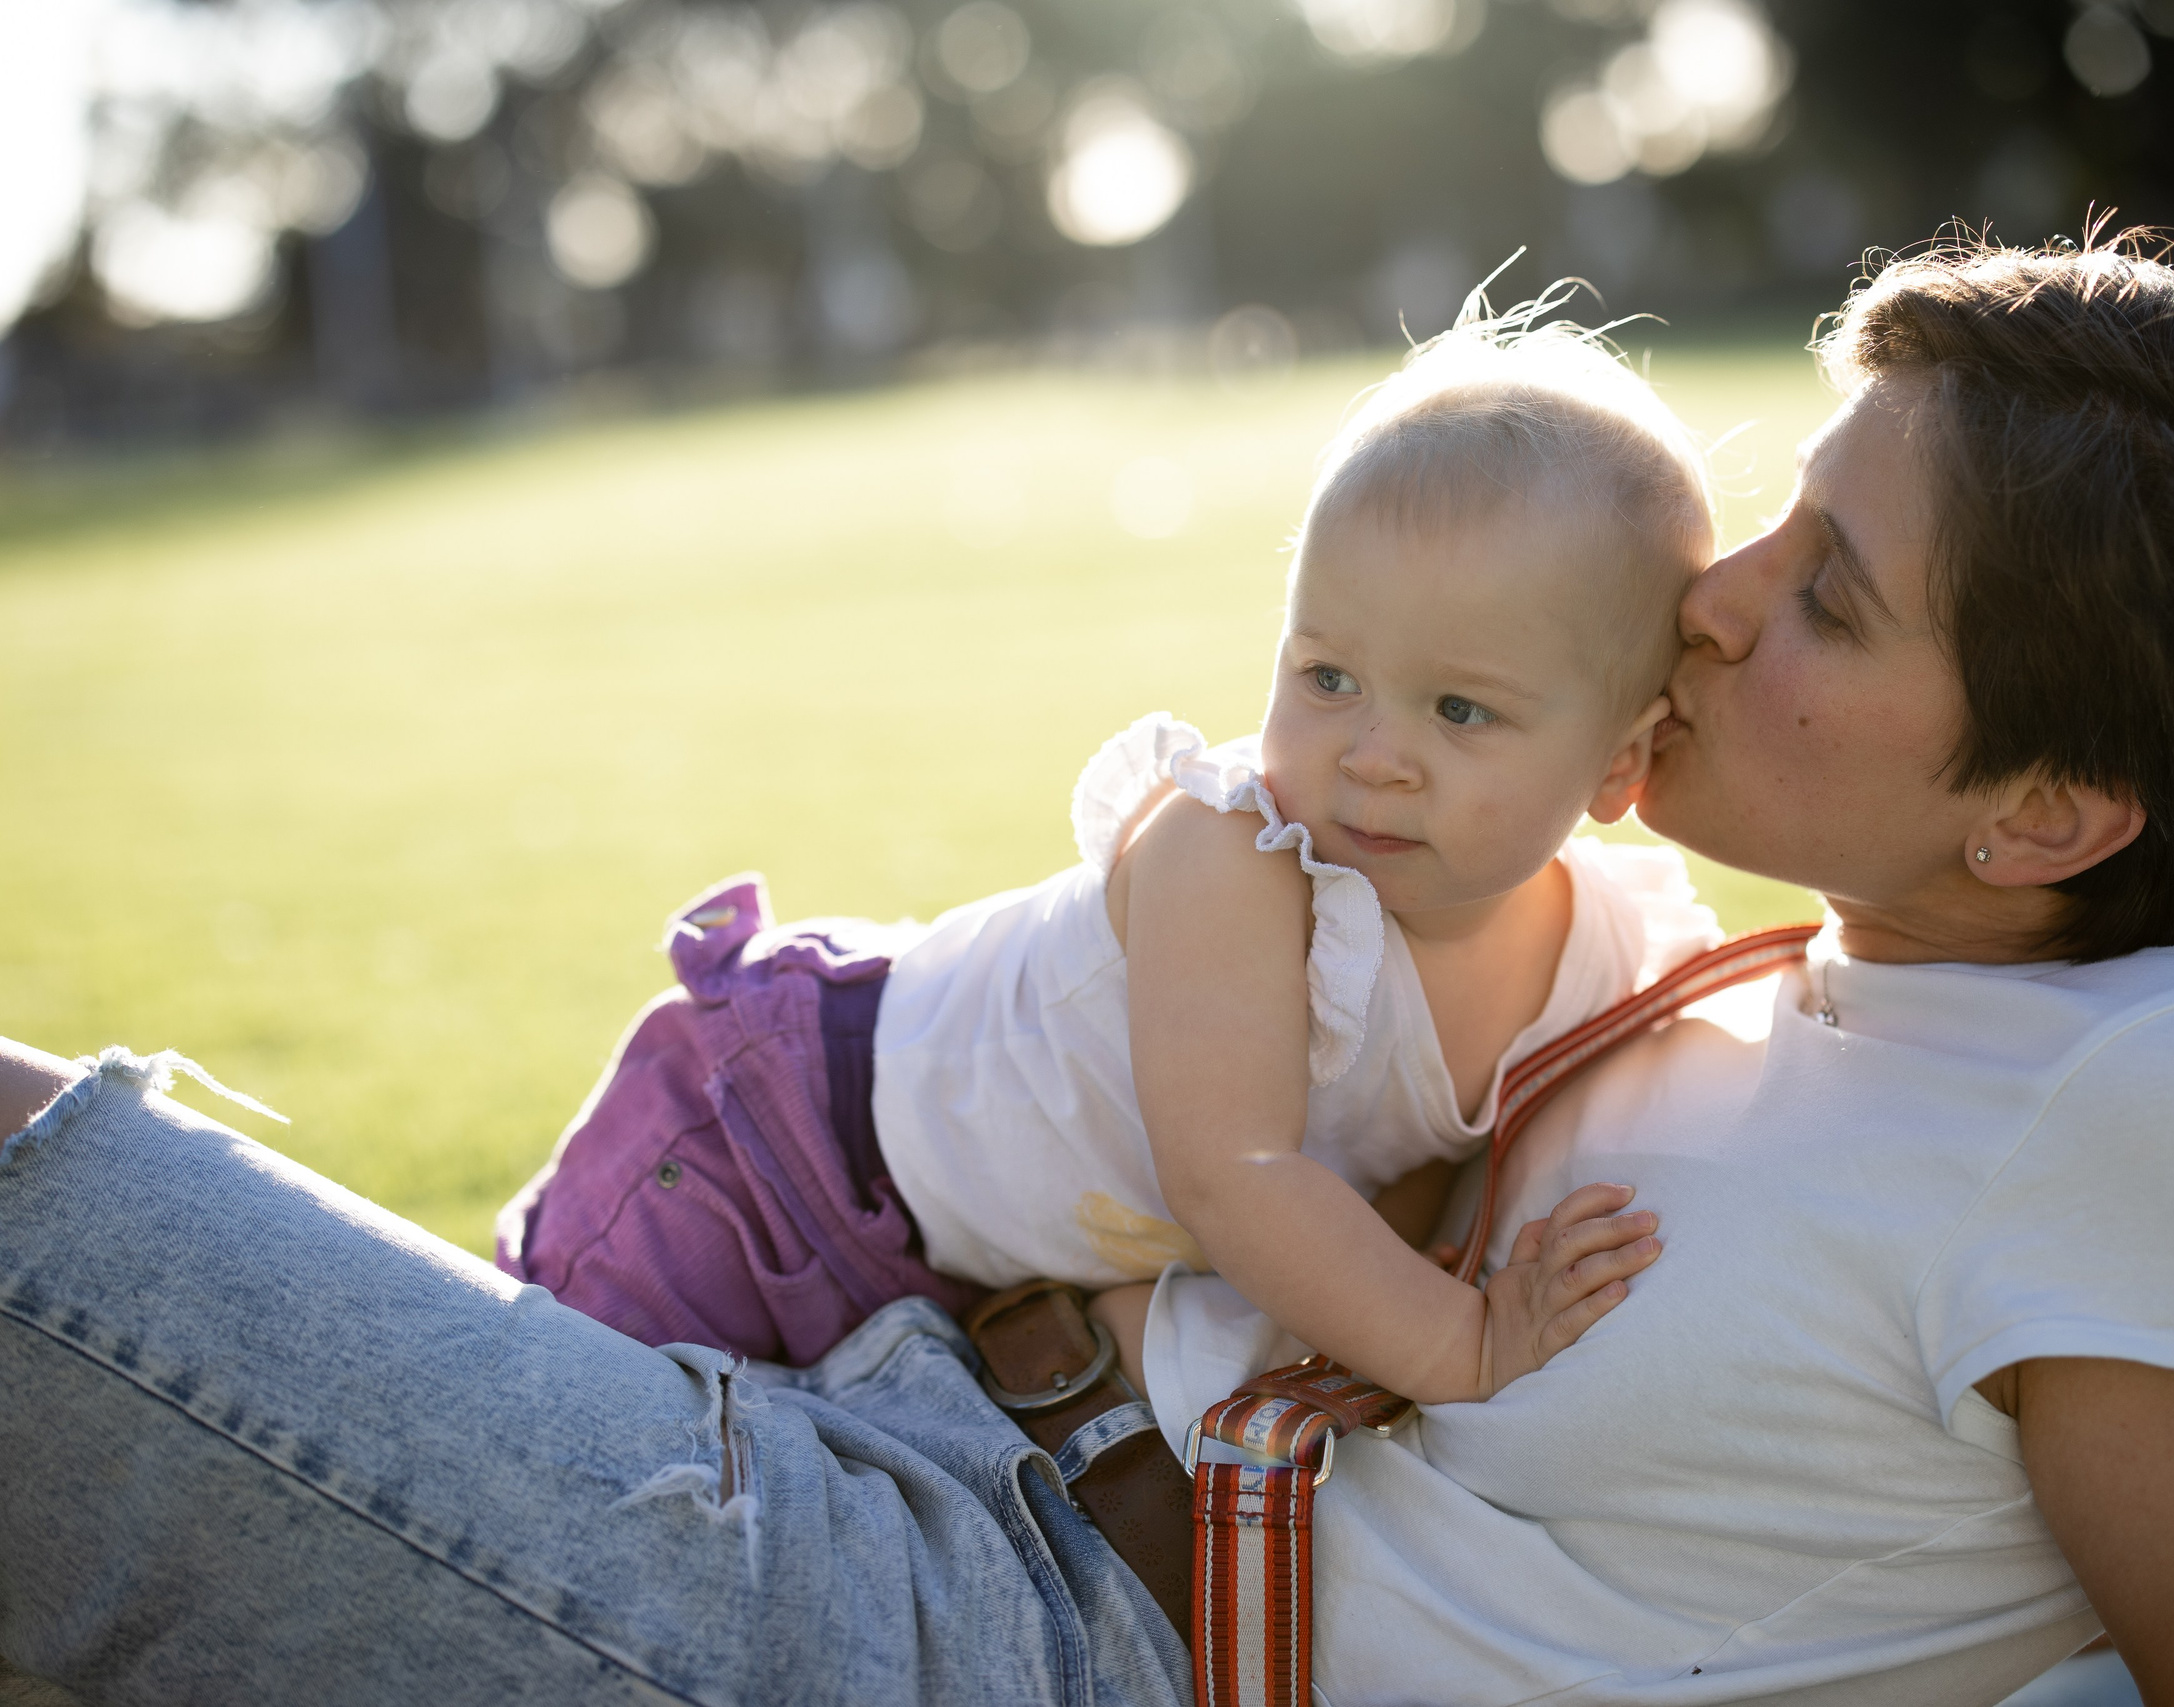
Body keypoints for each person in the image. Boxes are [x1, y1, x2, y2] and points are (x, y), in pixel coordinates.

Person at [0, 235, 2174, 1706]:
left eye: (1825, 594)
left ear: (2049, 810)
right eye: (1775, 515)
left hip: (1001, 1627)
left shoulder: (2167, 1099)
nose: (1710, 593)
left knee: (46, 1217)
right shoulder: (1832, 974)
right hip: (930, 1395)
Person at [498, 297, 1704, 1404]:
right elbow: (1235, 1176)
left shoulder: (1604, 949)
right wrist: (1464, 1341)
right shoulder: (1234, 858)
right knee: (543, 1427)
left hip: (967, 1263)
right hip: (779, 1146)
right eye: (1327, 677)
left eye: (1460, 711)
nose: (1373, 754)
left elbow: (1417, 1160)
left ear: (1617, 765)